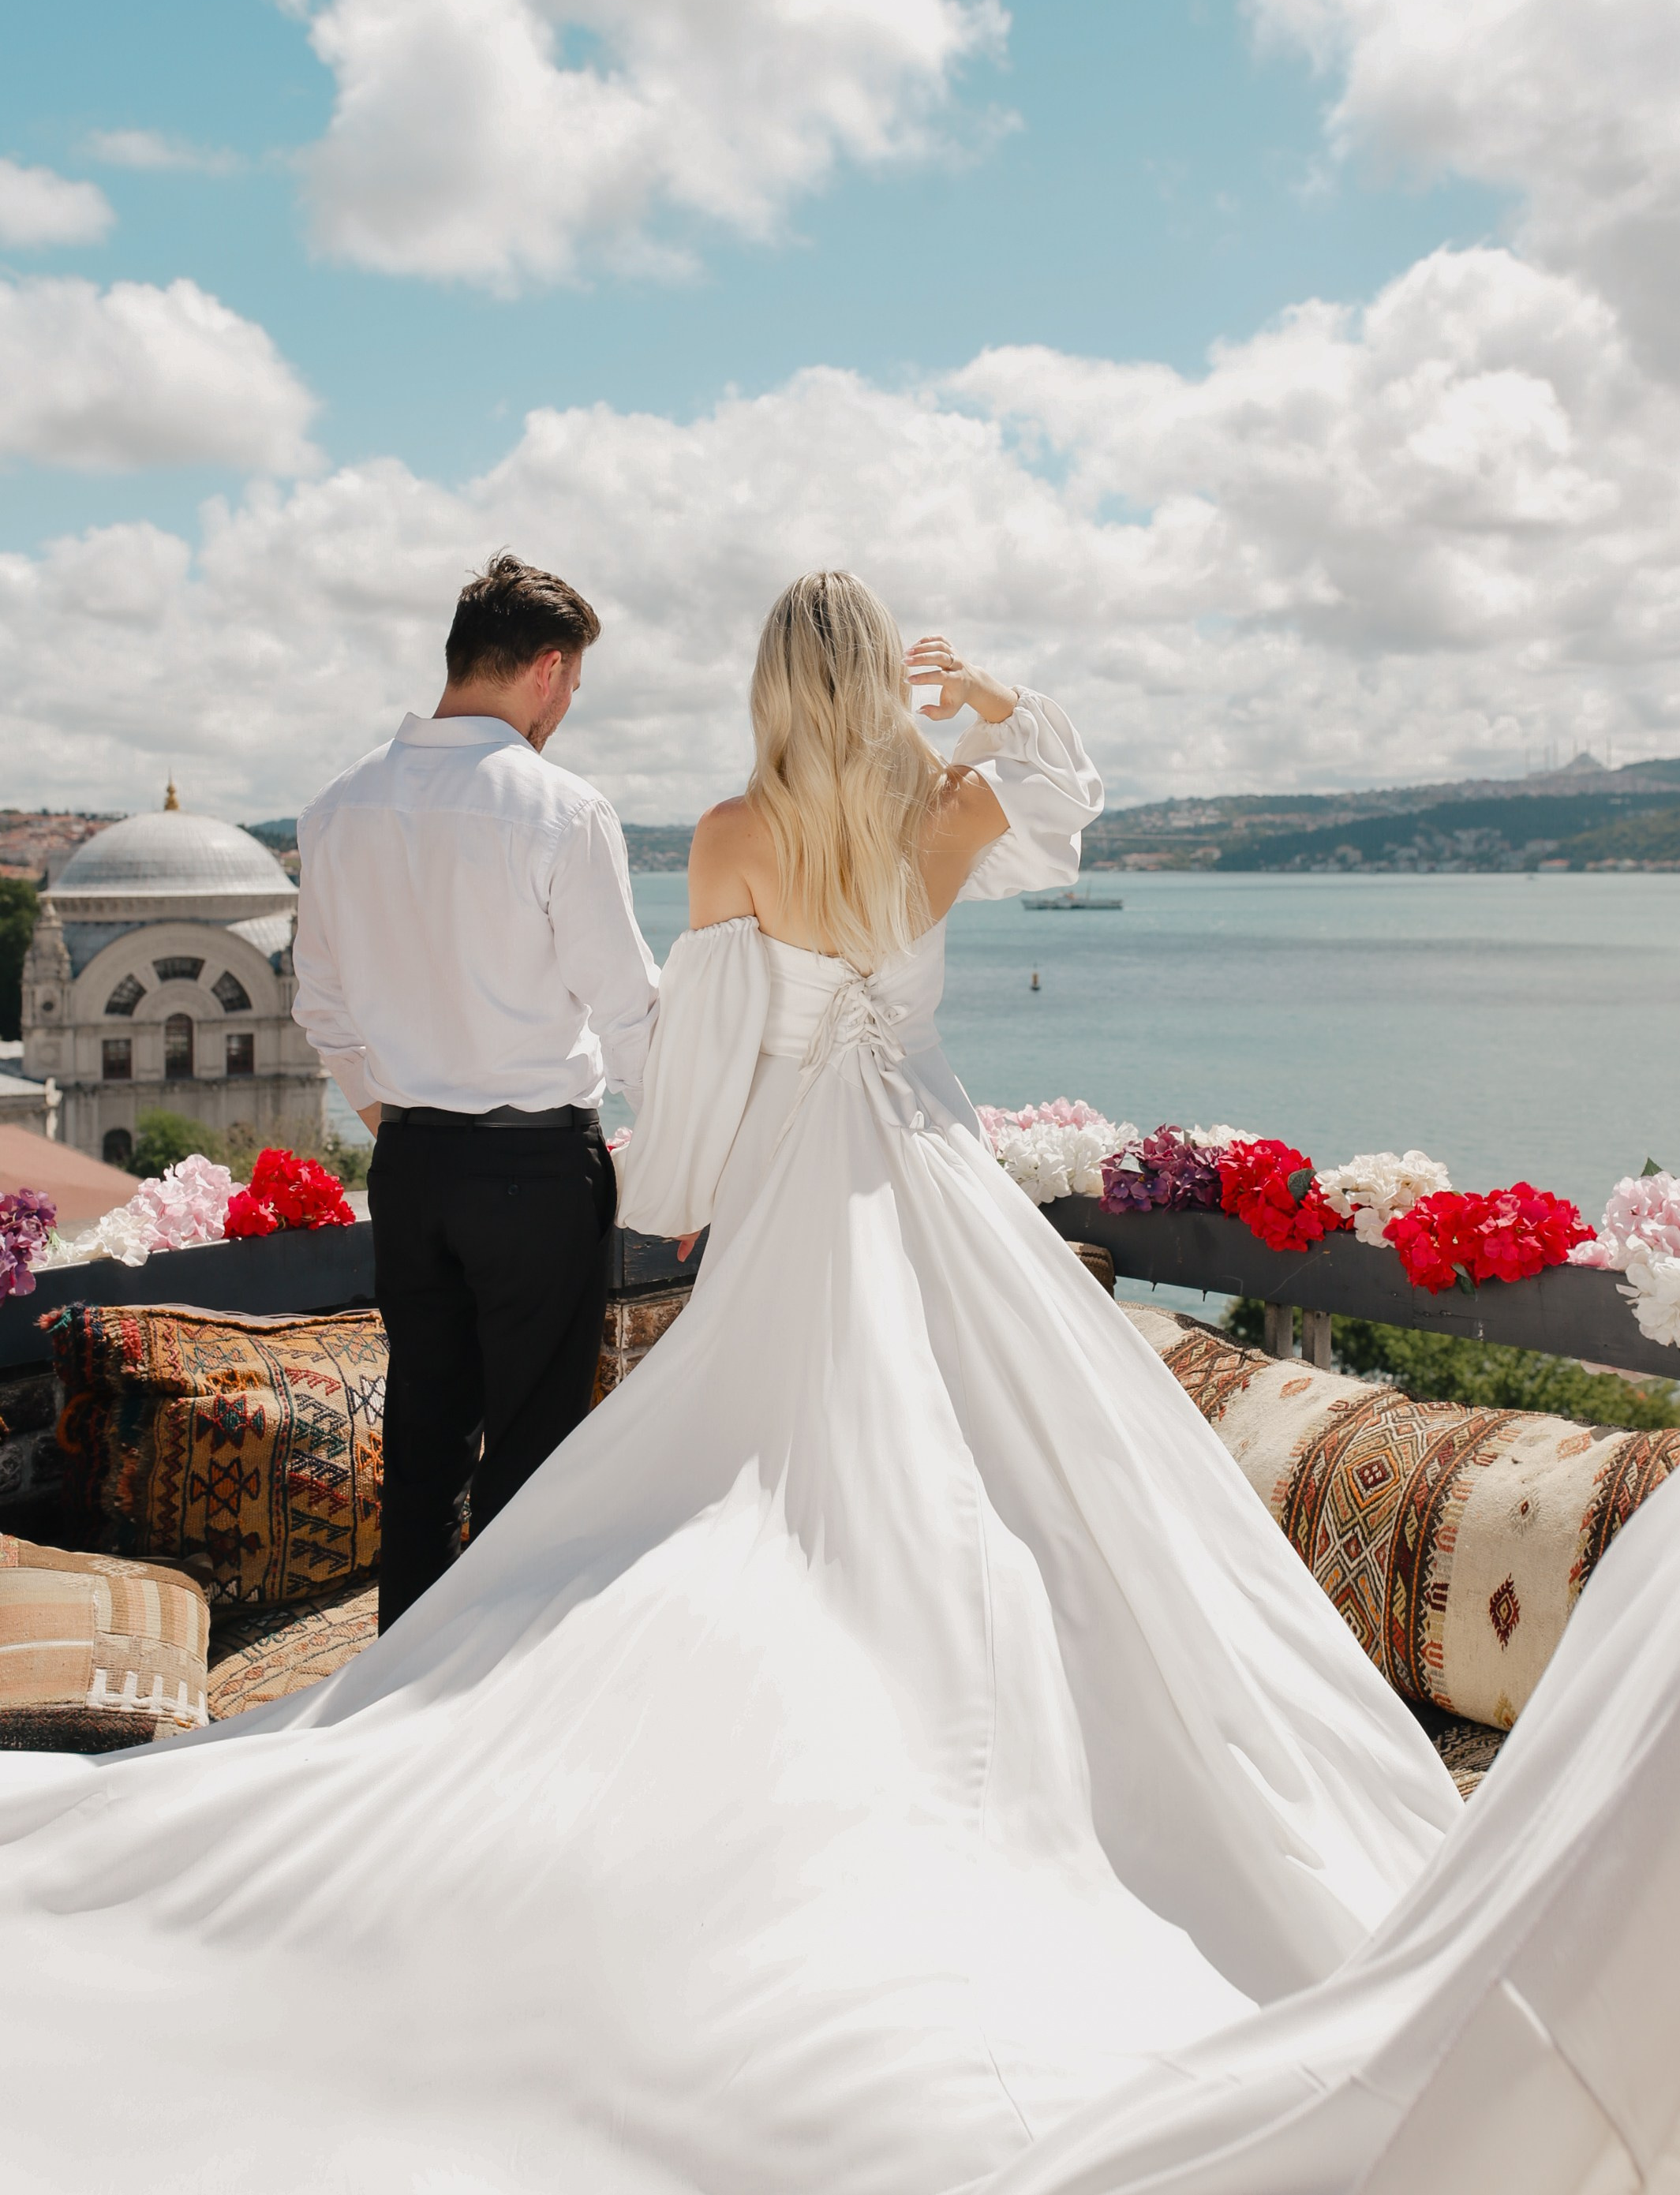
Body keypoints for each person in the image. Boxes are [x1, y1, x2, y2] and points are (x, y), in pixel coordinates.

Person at [2, 570, 1676, 2195]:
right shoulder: (942, 811)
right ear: (882, 677)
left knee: (752, 1460)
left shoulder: (729, 839)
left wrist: (680, 1187)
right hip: (934, 1168)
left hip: (796, 1176)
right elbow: (1059, 792)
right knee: (1016, 1467)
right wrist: (996, 701)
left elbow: (697, 1055)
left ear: (763, 684)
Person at [290, 551, 658, 1629]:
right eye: (573, 692)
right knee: (535, 1443)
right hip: (536, 1170)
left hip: (410, 1167)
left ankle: (405, 1663)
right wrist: (686, 1158)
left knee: (424, 1434)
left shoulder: (334, 806)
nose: (566, 715)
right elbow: (630, 1011)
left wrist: (399, 1124)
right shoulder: (561, 808)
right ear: (547, 669)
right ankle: (496, 1682)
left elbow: (322, 1010)